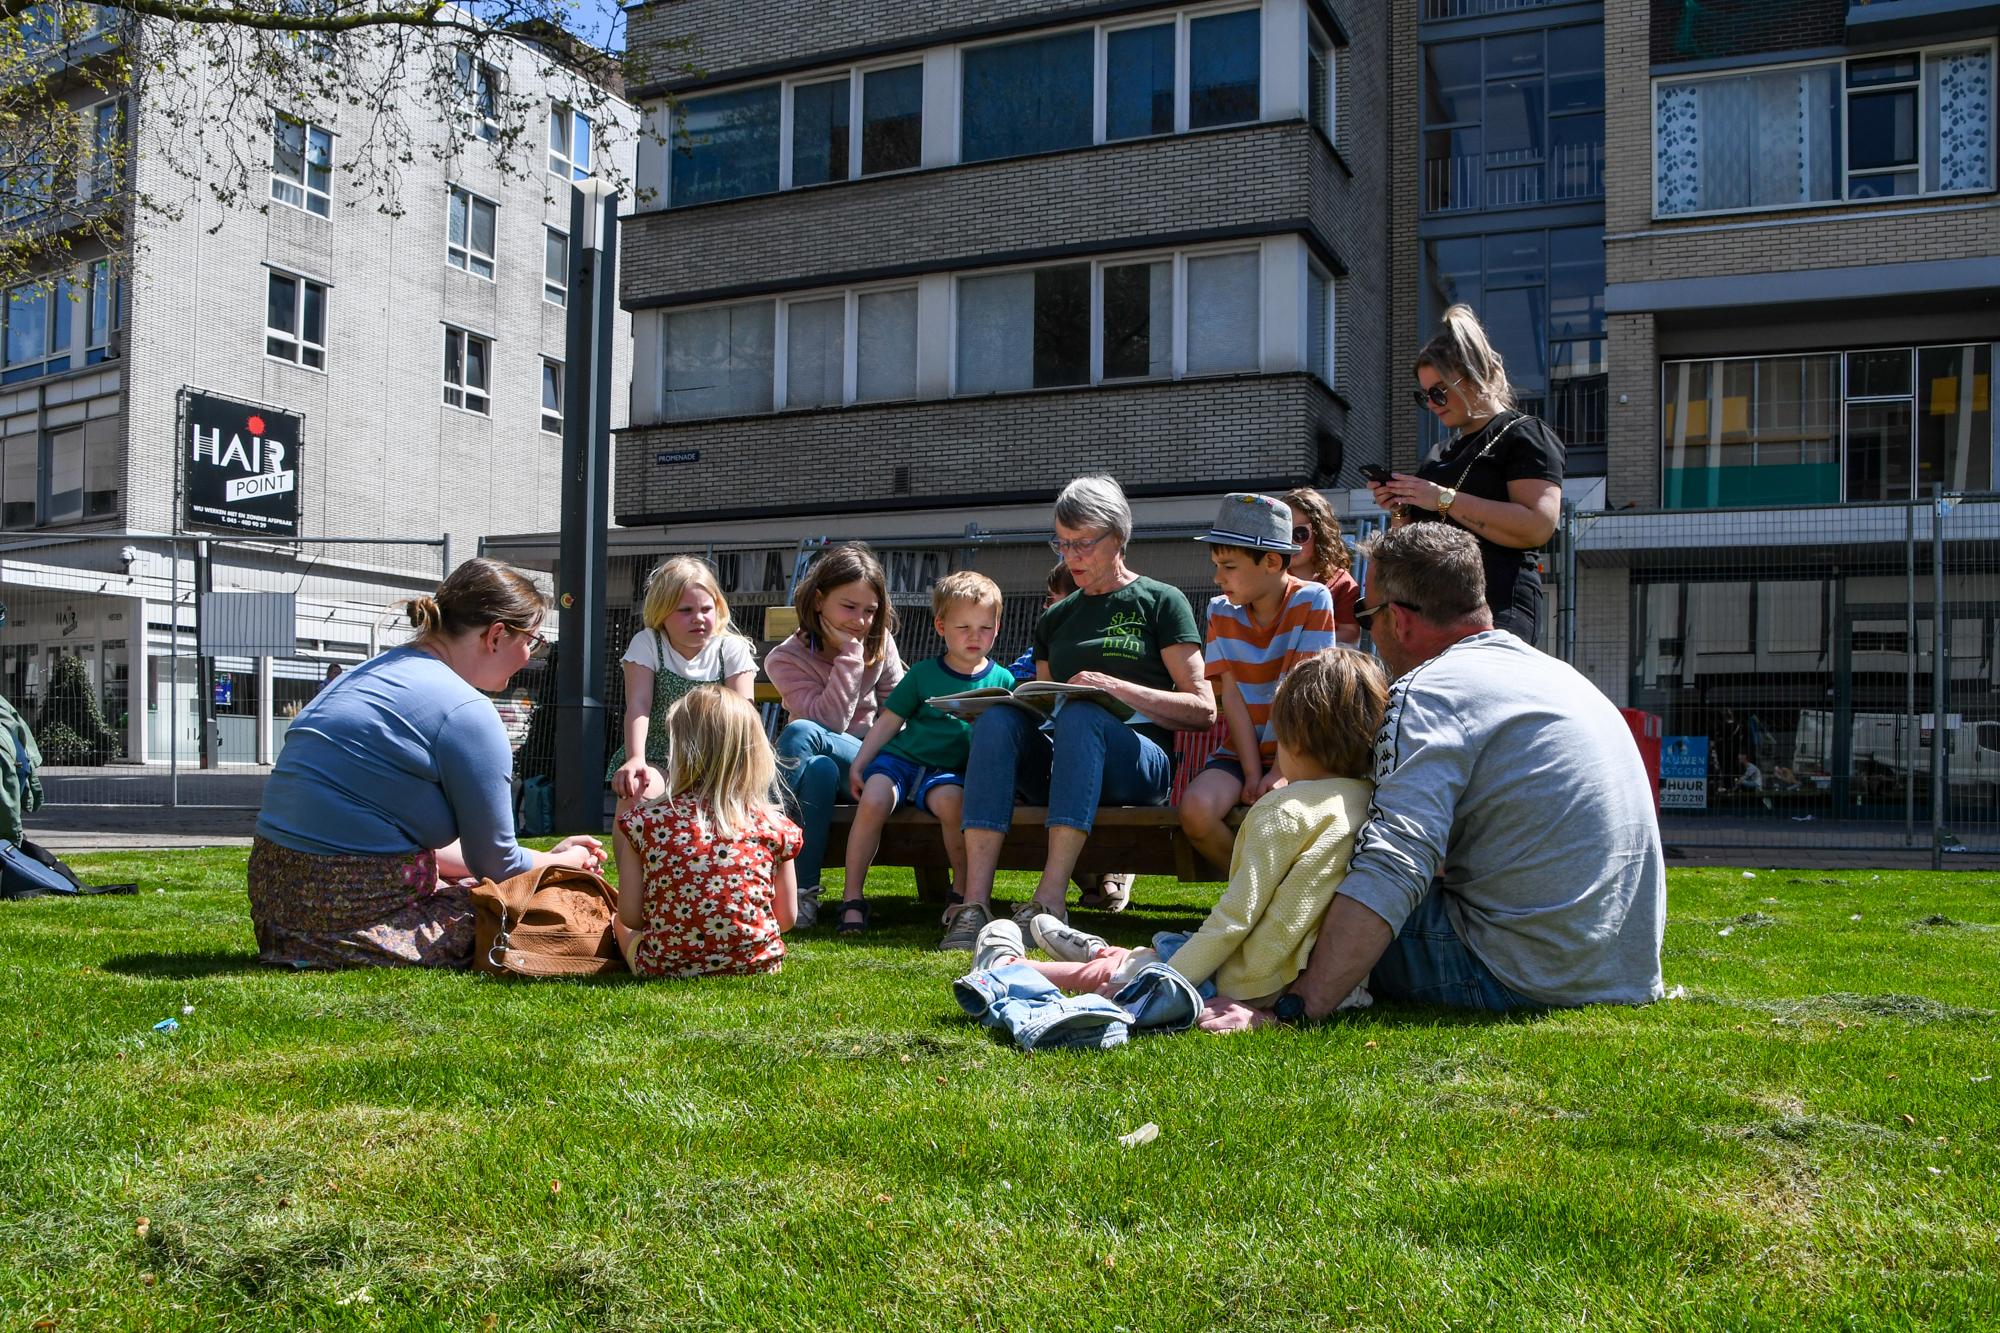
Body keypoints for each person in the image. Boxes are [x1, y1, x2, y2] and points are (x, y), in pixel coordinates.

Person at [1203, 524, 1665, 1030]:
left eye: (1365, 613)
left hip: (1515, 971)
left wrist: (1294, 1009)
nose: (1367, 628)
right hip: (1620, 968)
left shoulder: (1428, 692)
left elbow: (1393, 865)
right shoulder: (1558, 674)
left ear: (1397, 621)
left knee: (1306, 897)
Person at [974, 648, 1386, 1029]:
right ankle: (1100, 949)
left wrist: (1167, 979)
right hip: (1330, 984)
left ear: (1291, 738)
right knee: (1166, 950)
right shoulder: (1374, 802)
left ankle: (1009, 967)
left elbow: (1234, 920)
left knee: (1131, 972)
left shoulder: (1284, 811)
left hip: (1249, 982)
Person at [248, 558, 605, 970]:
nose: (529, 657)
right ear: (496, 635)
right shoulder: (467, 710)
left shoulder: (369, 674)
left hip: (282, 920)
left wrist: (543, 858)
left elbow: (394, 838)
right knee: (553, 907)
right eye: (533, 641)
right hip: (355, 925)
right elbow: (497, 864)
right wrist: (562, 864)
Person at [941, 475, 1215, 951]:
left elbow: (1201, 710)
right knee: (999, 720)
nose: (1071, 558)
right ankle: (974, 904)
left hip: (1138, 761)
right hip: (1067, 754)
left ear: (1118, 536)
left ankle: (1049, 900)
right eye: (1062, 544)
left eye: (1083, 544)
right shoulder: (1056, 617)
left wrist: (1112, 688)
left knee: (1084, 714)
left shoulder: (1160, 602)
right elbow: (1047, 705)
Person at [1368, 304, 1565, 643]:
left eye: (1439, 391)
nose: (1432, 403)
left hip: (1497, 606)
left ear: (1475, 376)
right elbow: (1416, 541)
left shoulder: (1522, 433)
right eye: (1424, 396)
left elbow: (1537, 526)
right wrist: (1400, 507)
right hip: (1432, 608)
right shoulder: (1439, 453)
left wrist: (1442, 498)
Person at [840, 571, 1015, 935]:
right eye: (963, 627)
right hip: (903, 760)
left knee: (954, 804)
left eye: (984, 628)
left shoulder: (1003, 681)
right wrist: (860, 763)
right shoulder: (921, 674)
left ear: (997, 628)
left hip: (950, 772)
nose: (974, 637)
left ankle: (961, 890)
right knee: (873, 799)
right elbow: (889, 721)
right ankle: (852, 897)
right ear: (940, 626)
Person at [1177, 493, 1337, 876]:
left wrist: (1280, 769)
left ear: (1271, 561)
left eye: (1229, 565)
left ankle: (1262, 900)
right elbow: (1231, 697)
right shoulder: (1220, 610)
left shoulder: (1314, 600)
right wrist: (1252, 773)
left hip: (1300, 749)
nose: (1218, 577)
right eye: (1216, 564)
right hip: (1242, 753)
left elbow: (1303, 695)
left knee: (1275, 812)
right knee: (1195, 811)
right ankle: (1252, 894)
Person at [613, 687, 802, 979]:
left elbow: (631, 916)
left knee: (618, 922)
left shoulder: (644, 822)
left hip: (665, 966)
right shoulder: (774, 825)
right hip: (759, 964)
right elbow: (787, 918)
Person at [766, 542, 905, 928]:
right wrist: (849, 658)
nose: (860, 621)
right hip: (828, 765)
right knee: (821, 769)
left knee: (799, 730)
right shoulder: (784, 658)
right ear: (818, 601)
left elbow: (898, 713)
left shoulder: (878, 644)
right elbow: (830, 721)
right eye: (849, 607)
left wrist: (849, 654)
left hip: (877, 764)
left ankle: (761, 830)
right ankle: (804, 897)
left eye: (870, 611)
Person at [1007, 562, 1133, 913]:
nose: (1048, 607)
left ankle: (1108, 874)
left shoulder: (1101, 649)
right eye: (1048, 600)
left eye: (1055, 598)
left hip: (1101, 757)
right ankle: (1091, 881)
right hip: (1053, 755)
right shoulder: (1042, 647)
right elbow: (1014, 678)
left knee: (1070, 773)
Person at [608, 556, 757, 820]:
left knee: (733, 809)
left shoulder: (731, 649)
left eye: (706, 609)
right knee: (634, 790)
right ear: (662, 612)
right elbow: (638, 705)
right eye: (686, 610)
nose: (698, 618)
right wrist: (636, 759)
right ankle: (630, 863)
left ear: (719, 608)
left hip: (718, 763)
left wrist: (740, 771)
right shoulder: (648, 644)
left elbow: (745, 715)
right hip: (660, 756)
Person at [1282, 486, 1361, 647]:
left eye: (1299, 534)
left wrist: (1303, 639)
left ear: (1321, 534)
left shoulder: (1341, 583)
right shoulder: (1272, 578)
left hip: (1320, 664)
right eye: (1283, 533)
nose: (1290, 542)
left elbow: (1351, 634)